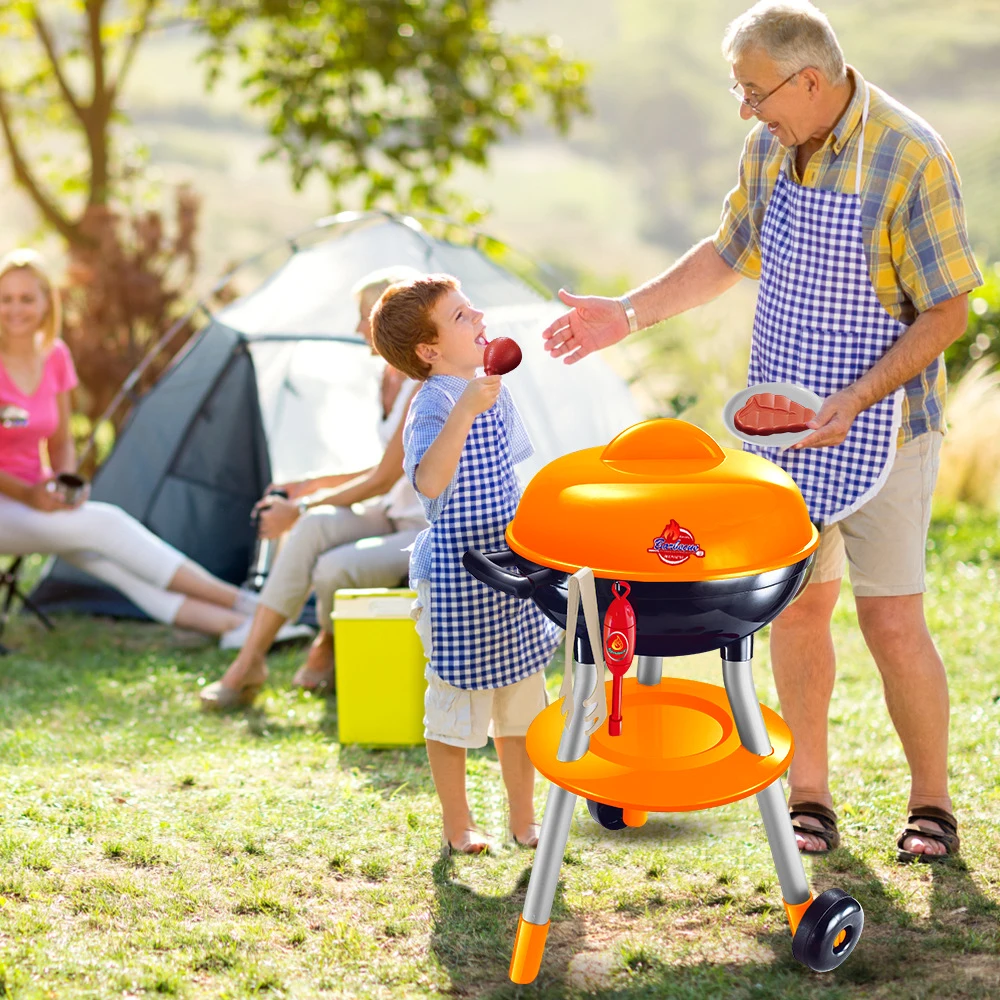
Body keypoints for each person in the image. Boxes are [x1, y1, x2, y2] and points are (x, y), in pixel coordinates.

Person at [538, 1, 981, 861]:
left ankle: (932, 803)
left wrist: (854, 397)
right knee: (799, 608)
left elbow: (948, 313)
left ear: (809, 80)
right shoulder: (770, 146)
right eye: (738, 91)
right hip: (779, 435)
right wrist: (625, 314)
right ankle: (808, 796)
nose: (746, 108)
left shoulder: (909, 154)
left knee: (892, 622)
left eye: (755, 91)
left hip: (884, 427)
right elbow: (727, 251)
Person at [371, 274, 562, 855]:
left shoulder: (492, 388)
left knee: (520, 705)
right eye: (460, 316)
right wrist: (465, 411)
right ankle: (459, 823)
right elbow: (429, 483)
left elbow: (507, 474)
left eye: (471, 308)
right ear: (429, 352)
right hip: (457, 575)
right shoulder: (431, 403)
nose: (478, 317)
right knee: (455, 705)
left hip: (509, 568)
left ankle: (523, 818)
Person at [199, 267, 428, 710]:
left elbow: (384, 477)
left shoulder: (422, 385)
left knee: (330, 567)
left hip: (422, 528)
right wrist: (307, 488)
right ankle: (249, 661)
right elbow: (386, 465)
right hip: (391, 513)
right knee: (315, 527)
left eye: (366, 316)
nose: (357, 328)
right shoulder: (387, 377)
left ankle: (327, 641)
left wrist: (299, 507)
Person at [0, 248, 259, 638]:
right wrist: (29, 495)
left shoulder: (55, 356)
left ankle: (239, 627)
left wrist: (63, 485)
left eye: (26, 298)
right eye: (5, 299)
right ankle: (249, 604)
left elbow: (62, 441)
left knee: (105, 559)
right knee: (106, 524)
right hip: (8, 504)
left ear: (45, 303)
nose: (15, 309)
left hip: (39, 501)